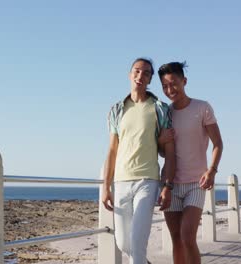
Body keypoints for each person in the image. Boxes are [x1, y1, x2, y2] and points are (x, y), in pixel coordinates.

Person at [102, 57, 175, 264]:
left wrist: (167, 185)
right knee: (123, 243)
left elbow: (168, 151)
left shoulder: (160, 108)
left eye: (145, 73)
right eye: (136, 71)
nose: (140, 76)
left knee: (137, 243)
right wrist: (106, 186)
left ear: (150, 79)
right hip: (121, 182)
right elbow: (112, 151)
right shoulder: (117, 110)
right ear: (129, 74)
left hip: (147, 181)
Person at [157, 61, 223, 264]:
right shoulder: (165, 113)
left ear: (184, 81)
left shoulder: (202, 107)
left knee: (187, 236)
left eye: (173, 83)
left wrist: (211, 171)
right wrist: (160, 140)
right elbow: (162, 152)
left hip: (196, 183)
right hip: (171, 184)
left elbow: (218, 143)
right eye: (165, 86)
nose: (170, 90)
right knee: (176, 239)